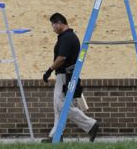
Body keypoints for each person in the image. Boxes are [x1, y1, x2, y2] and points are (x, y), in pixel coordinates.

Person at [42, 12, 100, 143]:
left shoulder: (67, 38)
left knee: (61, 106)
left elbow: (62, 57)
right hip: (65, 76)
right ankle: (56, 136)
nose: (53, 28)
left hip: (64, 76)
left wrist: (49, 70)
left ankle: (90, 124)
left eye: (53, 25)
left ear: (59, 23)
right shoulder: (66, 37)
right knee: (58, 106)